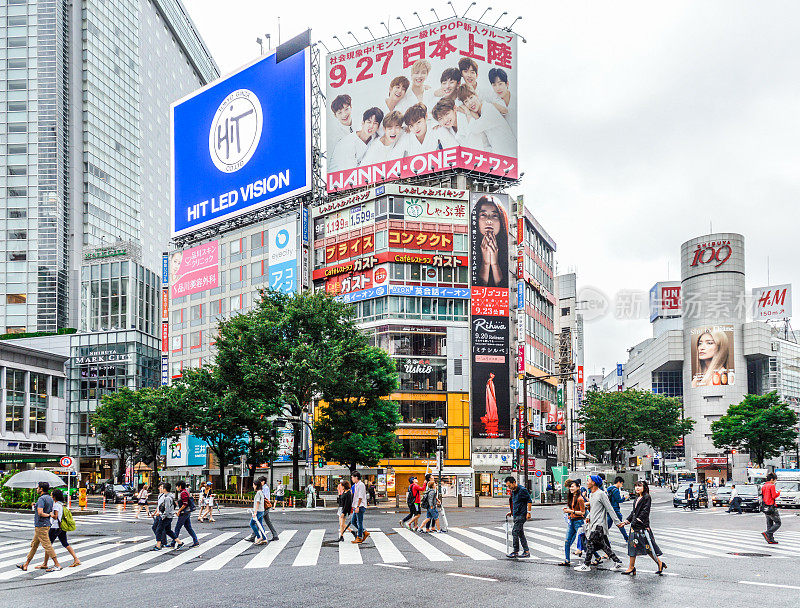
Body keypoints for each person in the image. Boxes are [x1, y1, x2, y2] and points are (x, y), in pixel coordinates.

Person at [574, 475, 623, 572]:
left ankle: (586, 564)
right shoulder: (591, 494)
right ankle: (617, 561)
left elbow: (610, 509)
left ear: (594, 483)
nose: (586, 482)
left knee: (590, 544)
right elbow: (593, 509)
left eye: (588, 481)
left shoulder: (601, 494)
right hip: (592, 523)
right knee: (602, 545)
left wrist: (617, 522)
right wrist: (588, 517)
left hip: (599, 524)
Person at [618, 480, 666, 575]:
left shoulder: (646, 497)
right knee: (633, 547)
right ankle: (632, 567)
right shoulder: (637, 498)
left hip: (641, 527)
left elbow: (645, 512)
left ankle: (659, 563)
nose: (637, 488)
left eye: (639, 486)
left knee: (648, 548)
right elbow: (634, 512)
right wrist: (626, 522)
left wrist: (636, 521)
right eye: (636, 486)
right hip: (635, 527)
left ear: (644, 487)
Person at [457, 84, 516, 157]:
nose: (470, 102)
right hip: (502, 153)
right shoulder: (482, 111)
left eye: (471, 97)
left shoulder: (488, 109)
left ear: (476, 95)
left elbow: (474, 129)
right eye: (466, 101)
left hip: (509, 153)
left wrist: (467, 112)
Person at [16, 481, 62, 573]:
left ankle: (57, 564)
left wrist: (47, 514)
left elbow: (41, 512)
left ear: (41, 489)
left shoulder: (41, 499)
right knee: (34, 545)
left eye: (38, 488)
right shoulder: (49, 498)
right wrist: (36, 505)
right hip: (45, 525)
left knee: (47, 545)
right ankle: (26, 564)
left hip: (41, 525)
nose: (37, 489)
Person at [472, 194, 509, 288]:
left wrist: (494, 263)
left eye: (494, 215)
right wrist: (485, 263)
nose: (489, 221)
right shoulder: (469, 246)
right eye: (483, 215)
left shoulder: (509, 250)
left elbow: (503, 289)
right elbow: (477, 288)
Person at [329, 107, 383, 172]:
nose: (371, 126)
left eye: (375, 123)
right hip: (336, 177)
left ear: (378, 127)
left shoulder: (374, 138)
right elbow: (349, 172)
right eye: (369, 122)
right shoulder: (349, 143)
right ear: (363, 123)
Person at [37, 488, 80, 569]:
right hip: (60, 527)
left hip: (55, 527)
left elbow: (56, 517)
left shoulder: (56, 505)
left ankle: (45, 563)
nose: (51, 496)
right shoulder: (60, 504)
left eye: (52, 495)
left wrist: (50, 514)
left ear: (54, 497)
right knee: (65, 544)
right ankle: (76, 559)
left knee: (48, 545)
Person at [559, 480, 586, 566]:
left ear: (578, 487)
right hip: (572, 521)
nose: (571, 488)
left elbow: (583, 512)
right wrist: (568, 511)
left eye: (573, 486)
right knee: (567, 541)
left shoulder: (580, 498)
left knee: (584, 542)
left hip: (579, 521)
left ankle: (597, 556)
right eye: (570, 486)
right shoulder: (572, 497)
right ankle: (567, 560)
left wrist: (571, 511)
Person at [504, 476, 532, 558]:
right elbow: (515, 503)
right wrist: (511, 511)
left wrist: (529, 512)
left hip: (521, 514)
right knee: (520, 533)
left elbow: (529, 501)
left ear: (514, 483)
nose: (509, 488)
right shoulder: (513, 491)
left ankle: (515, 551)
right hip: (516, 514)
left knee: (515, 532)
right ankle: (526, 551)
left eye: (509, 486)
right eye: (507, 486)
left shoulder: (522, 490)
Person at [151, 482, 178, 551]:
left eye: (162, 487)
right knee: (166, 530)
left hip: (164, 516)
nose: (161, 488)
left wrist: (162, 515)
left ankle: (159, 544)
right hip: (163, 515)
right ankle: (179, 542)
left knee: (159, 530)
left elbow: (167, 508)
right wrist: (155, 512)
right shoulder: (163, 495)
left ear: (164, 489)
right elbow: (160, 506)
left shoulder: (167, 497)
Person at [488, 67, 516, 133]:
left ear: (507, 84)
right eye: (494, 85)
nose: (498, 88)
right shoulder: (494, 102)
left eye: (500, 84)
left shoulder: (516, 100)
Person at [172, 480, 198, 549]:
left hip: (184, 513)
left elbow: (185, 504)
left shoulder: (183, 493)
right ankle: (196, 541)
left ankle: (173, 543)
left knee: (177, 528)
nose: (176, 488)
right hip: (187, 512)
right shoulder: (185, 492)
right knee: (188, 527)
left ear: (180, 486)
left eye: (177, 487)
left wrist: (179, 511)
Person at [257, 476, 279, 541]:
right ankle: (275, 535)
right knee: (268, 522)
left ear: (263, 481)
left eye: (260, 481)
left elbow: (265, 497)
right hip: (264, 507)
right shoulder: (263, 488)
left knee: (257, 521)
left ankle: (253, 536)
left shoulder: (265, 488)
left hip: (264, 507)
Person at [607, 477, 629, 542]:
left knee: (608, 525)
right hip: (615, 510)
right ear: (619, 482)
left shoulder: (609, 489)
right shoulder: (616, 490)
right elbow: (619, 500)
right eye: (621, 484)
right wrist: (625, 498)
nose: (622, 485)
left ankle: (601, 537)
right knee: (620, 524)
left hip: (609, 509)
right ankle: (627, 538)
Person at [761, 472, 781, 544]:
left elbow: (763, 496)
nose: (775, 481)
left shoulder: (764, 486)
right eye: (775, 480)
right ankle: (767, 533)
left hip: (765, 506)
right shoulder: (771, 485)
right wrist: (778, 493)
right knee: (778, 523)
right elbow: (773, 496)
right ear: (772, 479)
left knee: (769, 523)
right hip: (771, 506)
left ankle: (770, 539)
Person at [350, 471, 369, 544]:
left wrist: (357, 506)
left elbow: (360, 497)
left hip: (360, 506)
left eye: (352, 477)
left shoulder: (361, 485)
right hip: (356, 506)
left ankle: (359, 537)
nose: (352, 478)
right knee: (353, 521)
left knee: (359, 522)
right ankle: (364, 532)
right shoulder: (356, 485)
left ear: (356, 477)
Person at [247, 479, 268, 545]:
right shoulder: (261, 492)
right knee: (260, 525)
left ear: (256, 485)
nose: (253, 486)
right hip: (261, 511)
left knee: (252, 524)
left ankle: (259, 537)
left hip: (258, 511)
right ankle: (264, 538)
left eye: (253, 485)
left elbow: (258, 502)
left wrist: (255, 512)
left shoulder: (258, 493)